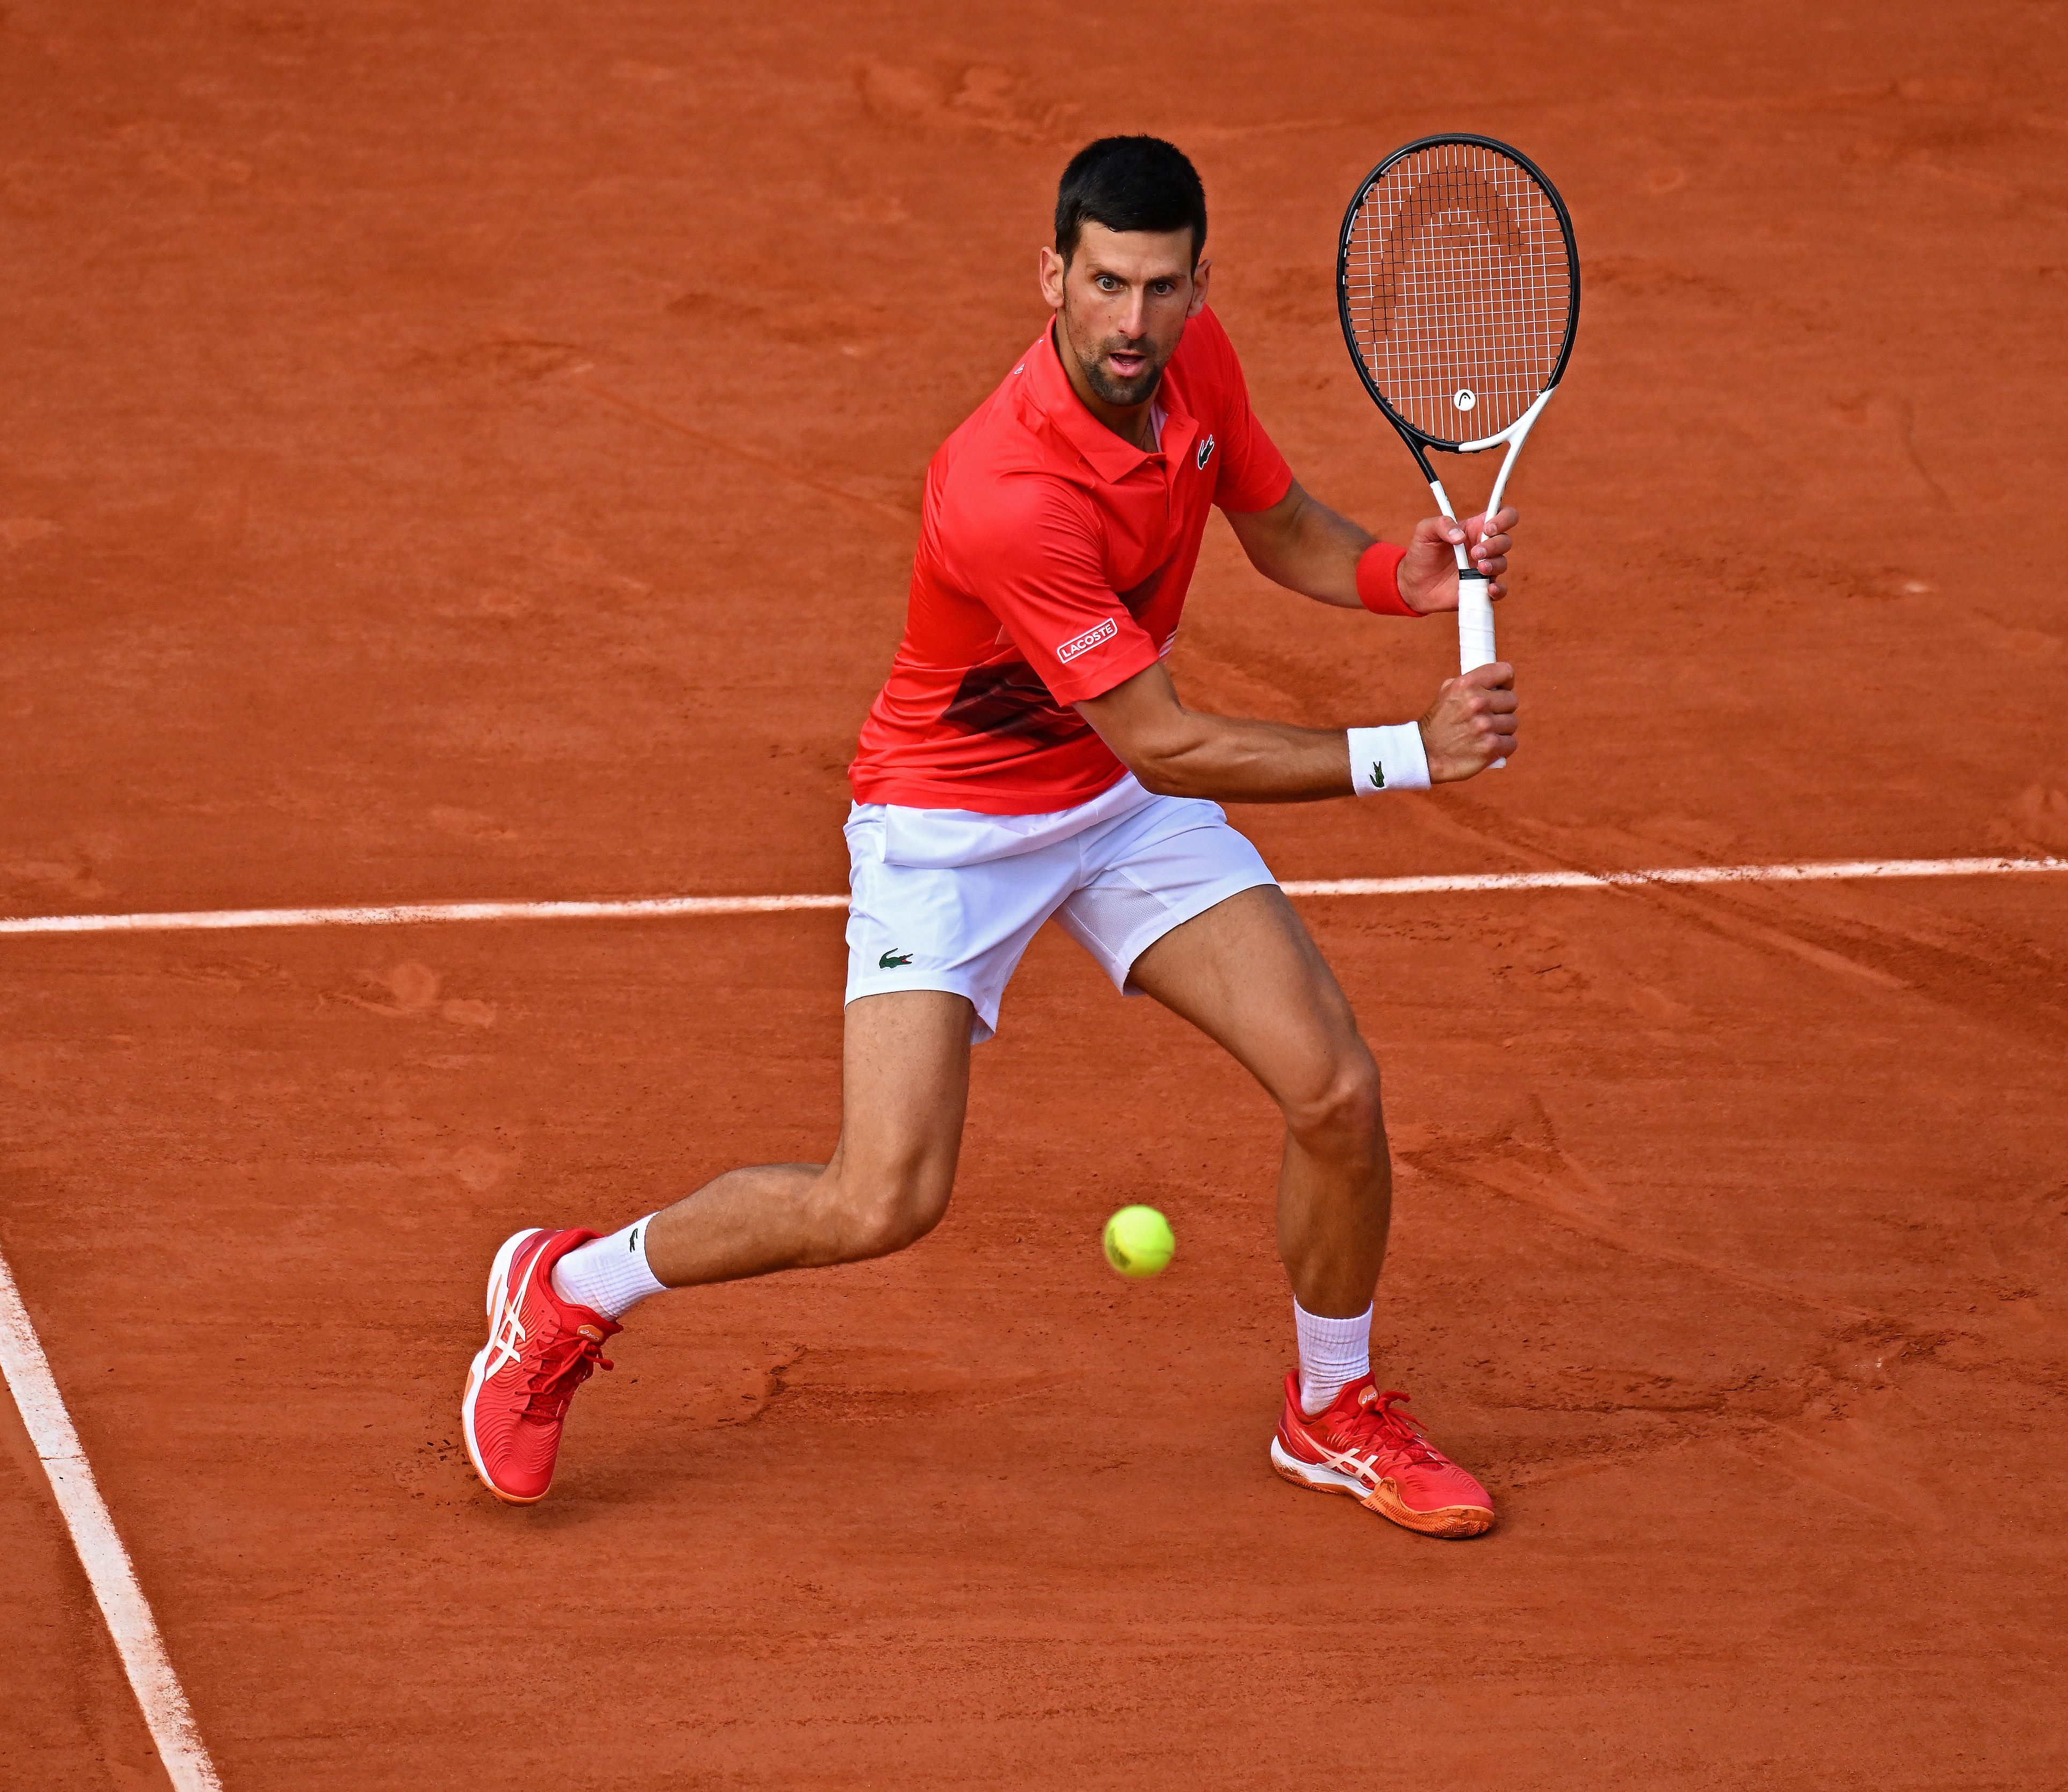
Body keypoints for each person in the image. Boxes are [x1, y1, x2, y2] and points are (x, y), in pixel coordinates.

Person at [462, 135, 1520, 1538]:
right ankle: (571, 1288)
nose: (1131, 325)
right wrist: (1406, 756)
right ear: (1053, 277)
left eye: (1158, 289)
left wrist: (1401, 575)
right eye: (1103, 287)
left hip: (1113, 803)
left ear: (1200, 284)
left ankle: (1332, 1408)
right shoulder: (1007, 486)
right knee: (879, 1197)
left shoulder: (1197, 372)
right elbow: (1171, 739)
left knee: (1332, 1088)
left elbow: (1280, 528)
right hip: (953, 825)